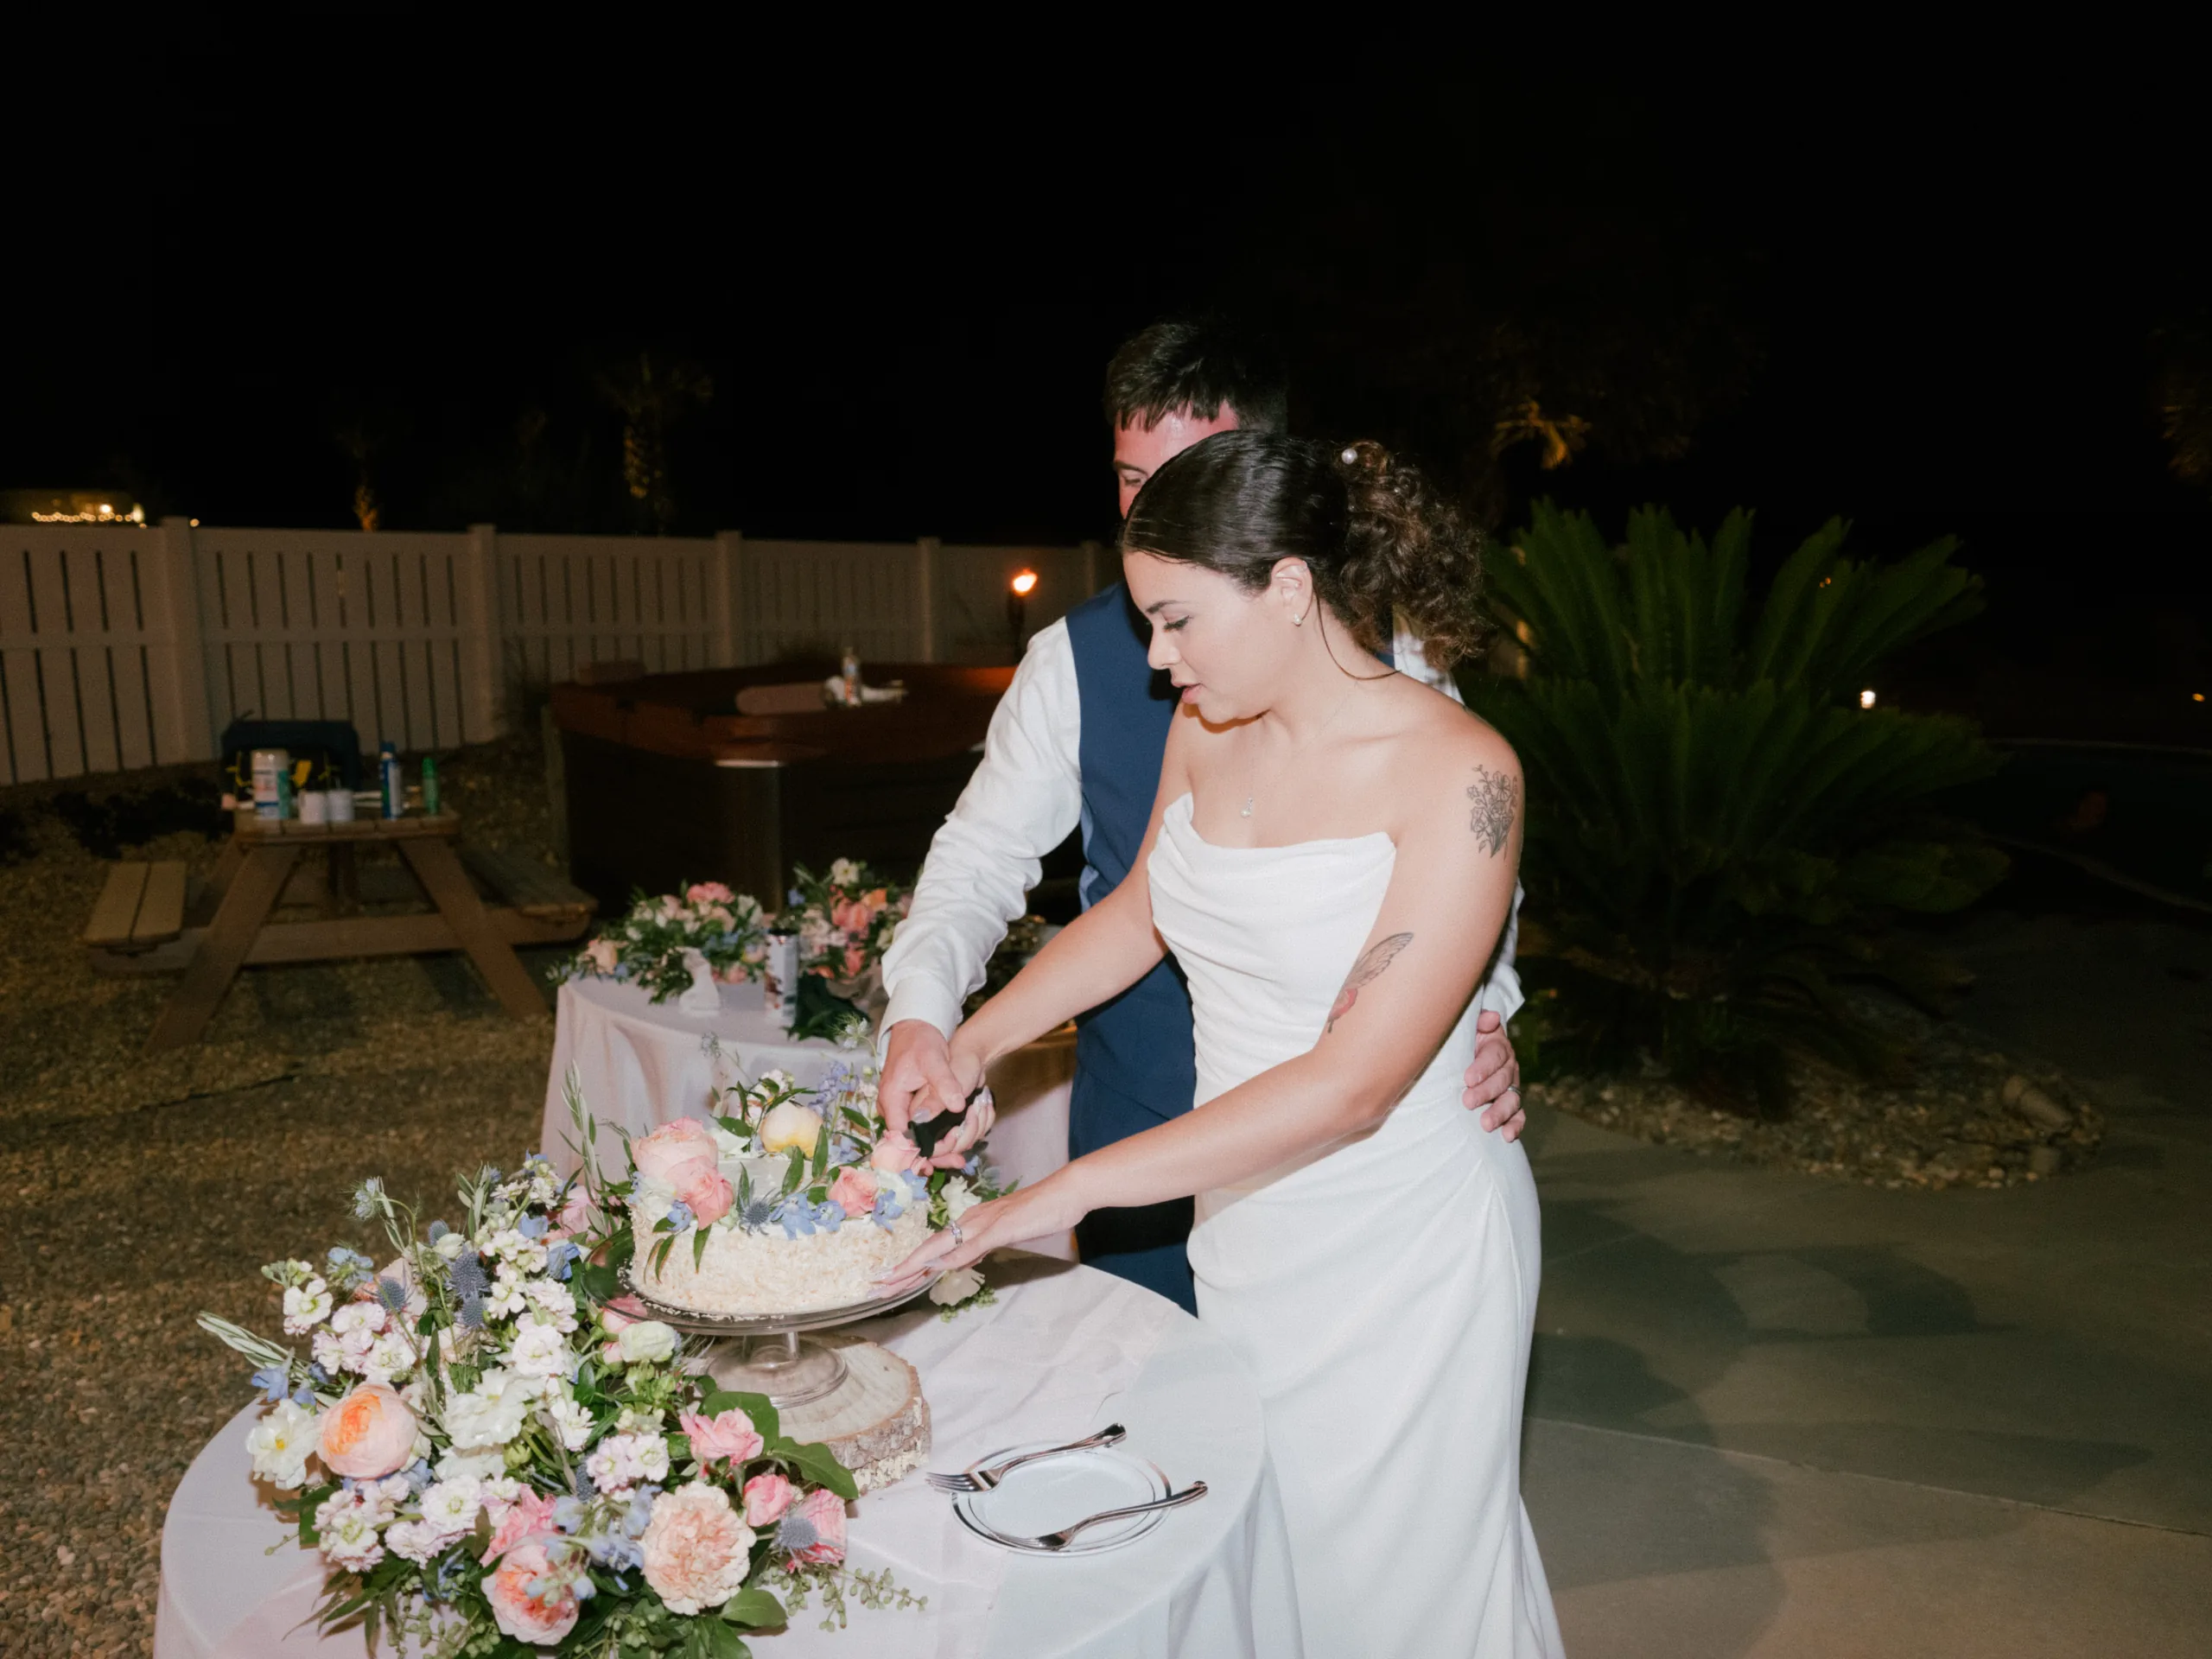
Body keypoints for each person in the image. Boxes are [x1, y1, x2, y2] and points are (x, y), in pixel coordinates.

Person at [883, 430, 1562, 1657]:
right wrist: (971, 1044)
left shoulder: (1464, 773)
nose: (1158, 658)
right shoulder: (1209, 728)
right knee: (1264, 1565)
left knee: (1395, 1585)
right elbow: (1139, 914)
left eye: (1181, 620)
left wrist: (1058, 1192)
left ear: (1291, 588)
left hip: (1404, 1246)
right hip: (1246, 1223)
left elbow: (1353, 1088)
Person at [877, 319, 1527, 1313]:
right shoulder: (1161, 696)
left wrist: (1483, 1016)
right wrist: (951, 1034)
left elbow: (1461, 889)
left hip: (1387, 1210)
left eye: (1192, 479)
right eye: (1134, 482)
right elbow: (1103, 896)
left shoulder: (1434, 715)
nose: (1155, 651)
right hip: (1173, 1144)